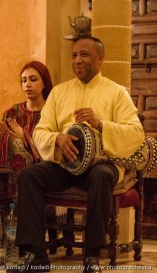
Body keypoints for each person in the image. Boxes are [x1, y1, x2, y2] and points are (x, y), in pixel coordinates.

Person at [11, 36, 144, 273]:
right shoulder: (60, 92)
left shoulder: (116, 93)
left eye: (84, 54)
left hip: (101, 164)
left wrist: (101, 124)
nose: (77, 60)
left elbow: (136, 133)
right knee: (28, 176)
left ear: (100, 59)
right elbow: (40, 131)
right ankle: (37, 255)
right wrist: (57, 139)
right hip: (65, 163)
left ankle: (91, 257)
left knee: (102, 175)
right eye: (74, 55)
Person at [0, 61, 53, 200]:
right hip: (9, 173)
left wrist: (24, 138)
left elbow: (50, 151)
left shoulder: (51, 112)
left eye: (33, 79)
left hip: (41, 172)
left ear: (44, 82)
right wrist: (2, 141)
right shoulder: (12, 112)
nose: (27, 84)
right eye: (24, 80)